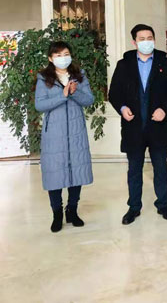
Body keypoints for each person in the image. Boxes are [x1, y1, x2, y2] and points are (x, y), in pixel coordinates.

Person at [108, 24, 167, 225]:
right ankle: (133, 207)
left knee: (161, 169)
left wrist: (164, 109)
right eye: (142, 39)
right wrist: (122, 108)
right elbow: (114, 93)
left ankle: (163, 205)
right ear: (134, 42)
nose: (146, 42)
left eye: (150, 38)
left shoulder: (165, 63)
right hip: (133, 127)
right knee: (134, 170)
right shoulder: (124, 65)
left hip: (158, 126)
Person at [34, 41, 95, 233]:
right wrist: (63, 95)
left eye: (66, 54)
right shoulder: (44, 78)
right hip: (54, 133)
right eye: (58, 55)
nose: (63, 58)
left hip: (76, 131)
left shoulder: (79, 75)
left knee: (77, 170)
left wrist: (74, 93)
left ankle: (72, 210)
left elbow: (89, 100)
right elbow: (40, 105)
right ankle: (57, 214)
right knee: (54, 173)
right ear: (50, 58)